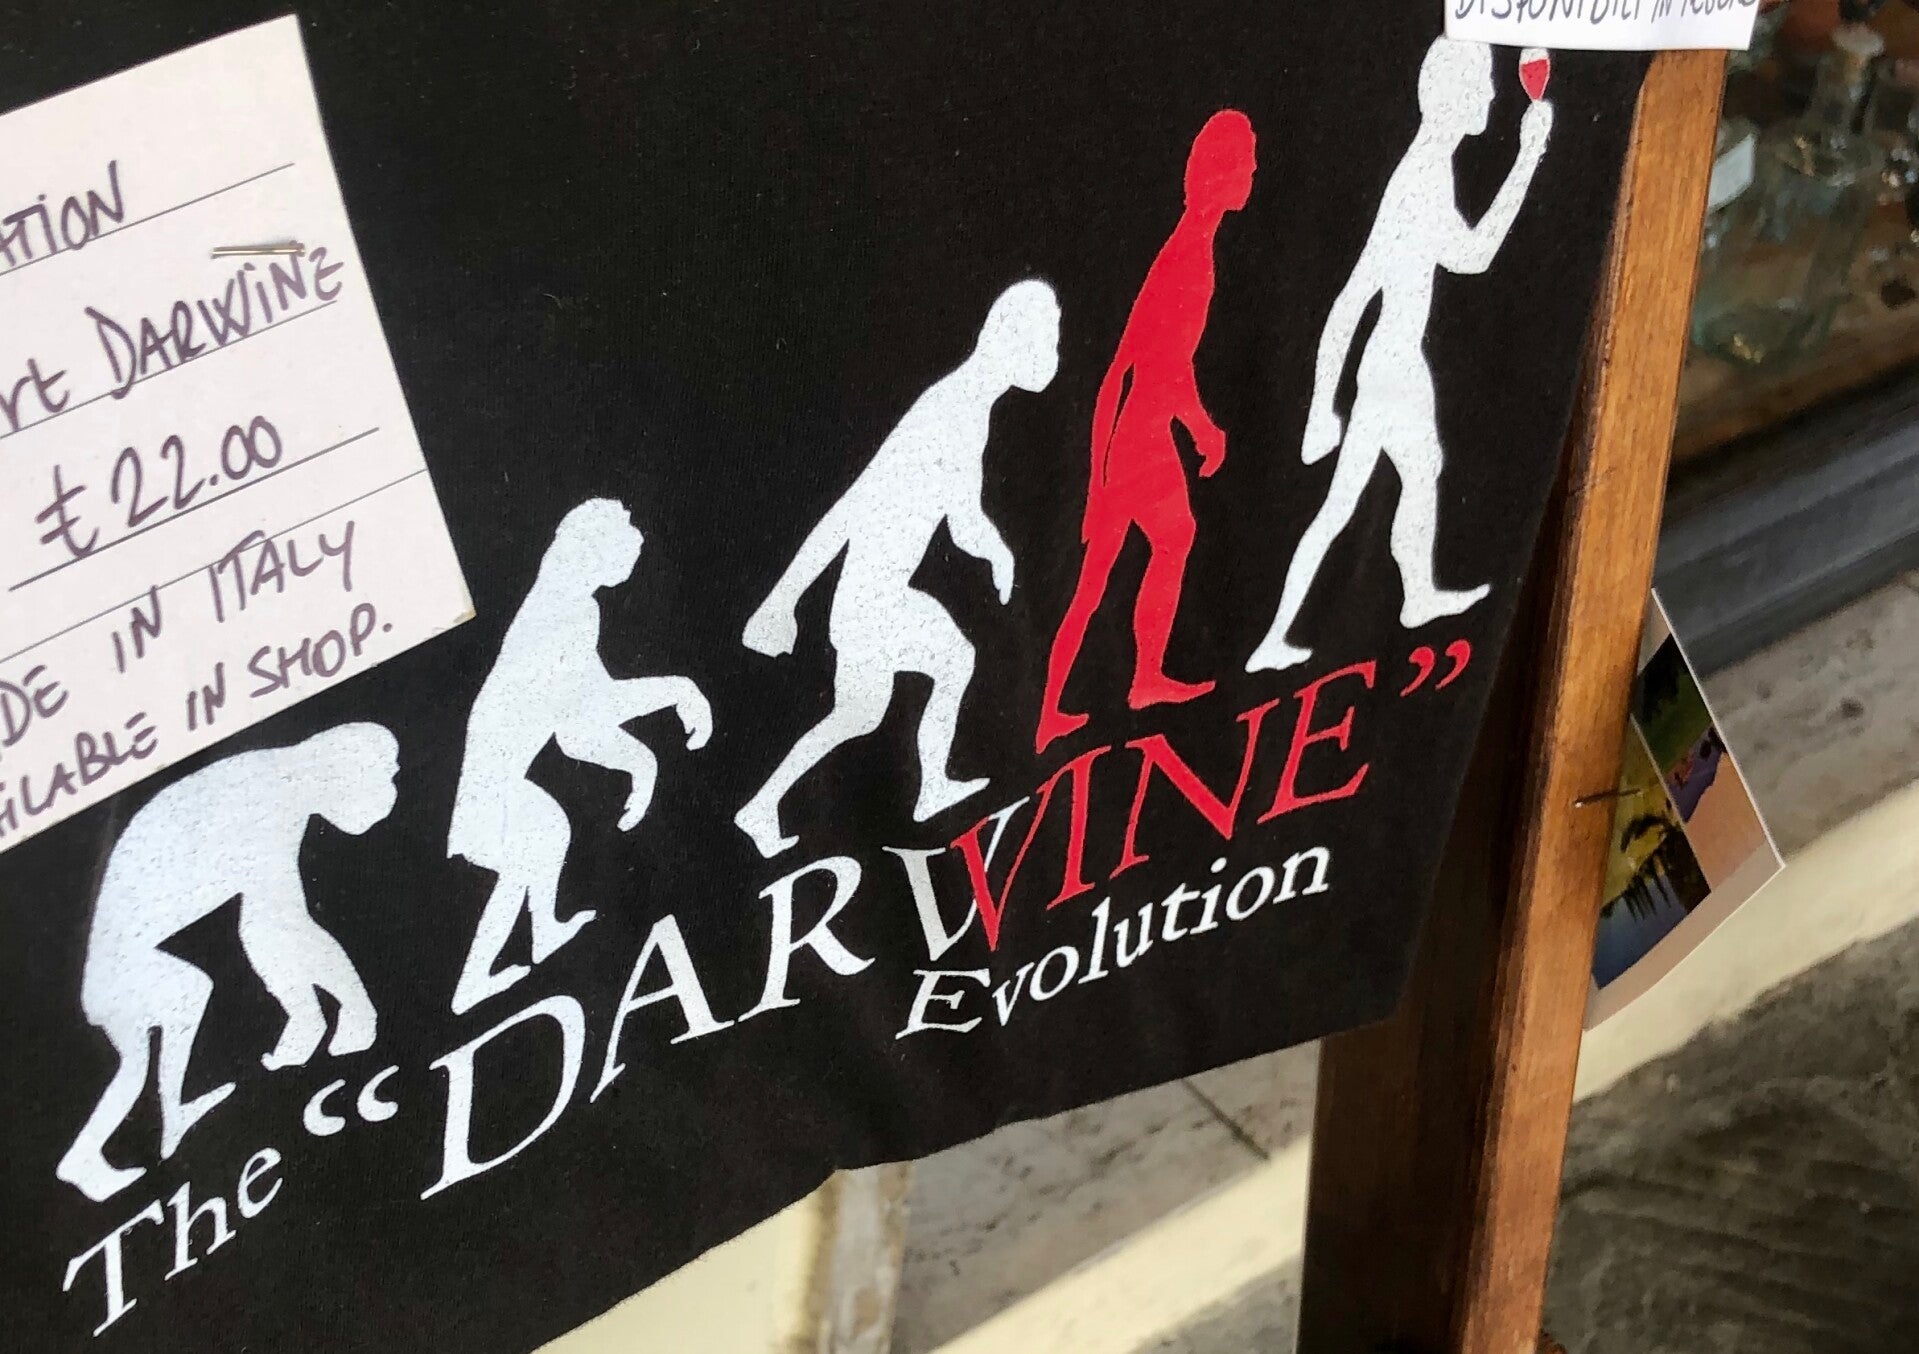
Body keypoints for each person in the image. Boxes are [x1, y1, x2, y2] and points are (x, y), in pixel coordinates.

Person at [1246, 38, 1553, 674]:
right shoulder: (1422, 175)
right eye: (1482, 84)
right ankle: (1276, 634)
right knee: (1342, 507)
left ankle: (1414, 593)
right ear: (1452, 95)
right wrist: (1527, 157)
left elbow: (1353, 299)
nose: (1492, 95)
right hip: (1390, 365)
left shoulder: (1427, 166)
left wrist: (1326, 400)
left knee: (1419, 473)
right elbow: (1470, 256)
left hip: (1397, 362)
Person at [736, 280, 1061, 858]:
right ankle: (927, 787)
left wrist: (995, 551)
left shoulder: (967, 408)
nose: (1051, 351)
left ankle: (763, 806)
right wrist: (782, 600)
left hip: (875, 594)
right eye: (1044, 337)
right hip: (872, 598)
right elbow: (852, 508)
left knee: (857, 714)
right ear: (1009, 336)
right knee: (950, 663)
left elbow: (961, 518)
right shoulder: (950, 409)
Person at [57, 723, 400, 1203]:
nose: (387, 791)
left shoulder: (276, 783)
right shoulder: (271, 793)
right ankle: (115, 1144)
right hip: (120, 968)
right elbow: (280, 921)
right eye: (380, 776)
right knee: (164, 1025)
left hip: (122, 960)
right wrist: (355, 1011)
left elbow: (268, 923)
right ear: (341, 769)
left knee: (153, 1041)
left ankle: (164, 1118)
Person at [1036, 110, 1256, 753]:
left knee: (1160, 545)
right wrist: (1202, 430)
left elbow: (1143, 365)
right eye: (1244, 160)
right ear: (1219, 174)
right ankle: (1072, 703)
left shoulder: (1194, 246)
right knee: (1100, 575)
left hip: (1136, 431)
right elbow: (1161, 367)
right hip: (1136, 436)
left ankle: (1133, 682)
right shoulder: (1190, 256)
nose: (1253, 170)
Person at [449, 499, 711, 1014]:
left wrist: (641, 762)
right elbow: (585, 721)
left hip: (500, 773)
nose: (633, 552)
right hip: (490, 780)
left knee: (549, 831)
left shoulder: (568, 606)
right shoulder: (563, 615)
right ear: (592, 552)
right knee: (524, 857)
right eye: (621, 545)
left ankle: (543, 931)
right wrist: (677, 693)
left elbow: (579, 725)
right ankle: (472, 983)